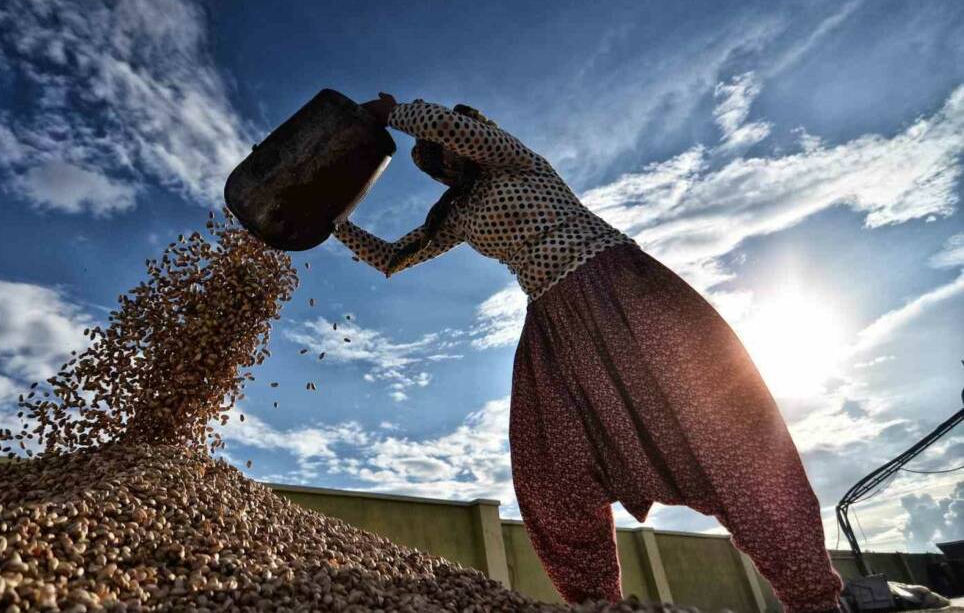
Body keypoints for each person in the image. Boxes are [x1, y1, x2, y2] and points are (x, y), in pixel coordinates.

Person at [333, 92, 845, 612]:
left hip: (623, 290)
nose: (443, 158)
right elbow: (396, 256)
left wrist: (393, 111)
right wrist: (334, 221)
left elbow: (459, 131)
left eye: (443, 144)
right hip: (555, 327)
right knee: (549, 462)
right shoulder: (459, 214)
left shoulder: (517, 161)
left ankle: (812, 597)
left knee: (722, 428)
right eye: (433, 158)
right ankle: (594, 603)